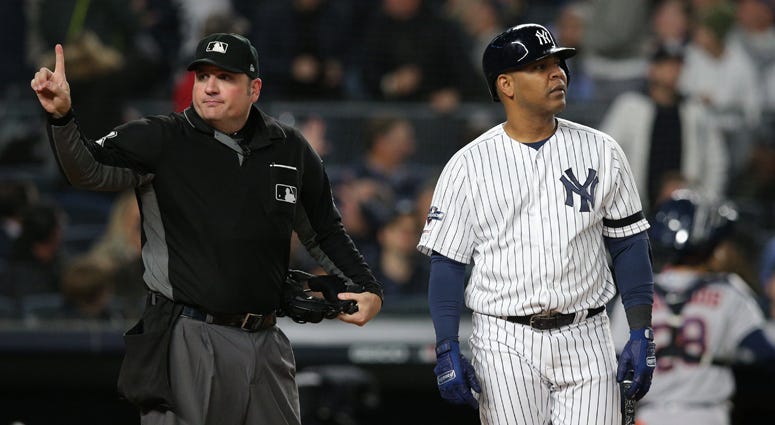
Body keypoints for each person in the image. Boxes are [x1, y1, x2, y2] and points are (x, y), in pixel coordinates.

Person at [31, 32, 383, 425]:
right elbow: (87, 169)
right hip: (189, 336)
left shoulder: (291, 148)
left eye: (225, 77)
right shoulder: (161, 137)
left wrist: (366, 286)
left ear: (254, 88)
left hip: (267, 339)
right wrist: (61, 116)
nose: (210, 87)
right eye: (202, 77)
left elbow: (325, 231)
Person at [416, 23, 657, 424]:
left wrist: (640, 331)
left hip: (587, 332)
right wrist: (446, 345)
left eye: (558, 64)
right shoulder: (468, 165)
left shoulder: (602, 149)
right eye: (541, 66)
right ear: (506, 85)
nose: (558, 73)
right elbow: (447, 264)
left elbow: (629, 243)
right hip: (504, 340)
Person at [609, 189, 775, 425]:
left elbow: (616, 368)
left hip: (651, 416)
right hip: (707, 415)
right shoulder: (729, 292)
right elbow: (765, 356)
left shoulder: (635, 294)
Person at [600, 45, 729, 213]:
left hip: (686, 209)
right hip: (634, 209)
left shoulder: (696, 111)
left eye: (677, 65)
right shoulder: (629, 106)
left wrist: (706, 203)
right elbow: (604, 153)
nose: (673, 71)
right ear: (652, 70)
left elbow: (716, 162)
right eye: (666, 65)